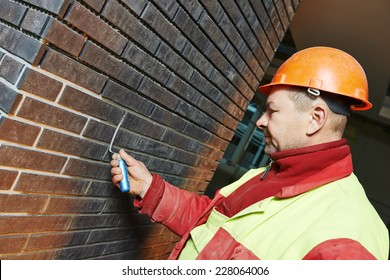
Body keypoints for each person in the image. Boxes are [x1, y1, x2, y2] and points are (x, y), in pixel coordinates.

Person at [110, 46, 389, 260]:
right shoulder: (266, 174)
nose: (260, 120)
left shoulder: (350, 233)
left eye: (273, 110)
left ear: (315, 118)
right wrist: (149, 188)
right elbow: (208, 226)